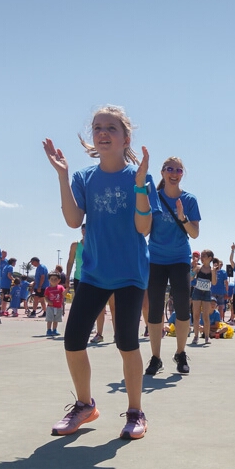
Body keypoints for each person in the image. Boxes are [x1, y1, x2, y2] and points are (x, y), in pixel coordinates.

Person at [44, 105, 155, 439]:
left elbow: (144, 226)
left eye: (111, 127)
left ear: (126, 137)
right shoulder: (82, 177)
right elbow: (73, 220)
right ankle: (84, 405)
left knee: (127, 342)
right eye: (97, 127)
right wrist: (63, 176)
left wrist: (139, 188)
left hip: (129, 273)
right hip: (93, 272)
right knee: (74, 339)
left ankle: (136, 411)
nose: (103, 132)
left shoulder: (139, 176)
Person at [144, 156, 200, 374]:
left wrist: (183, 218)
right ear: (162, 172)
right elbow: (145, 230)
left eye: (178, 170)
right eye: (170, 169)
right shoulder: (153, 198)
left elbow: (194, 234)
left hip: (179, 259)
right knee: (155, 309)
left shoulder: (190, 200)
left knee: (183, 308)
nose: (174, 173)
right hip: (156, 258)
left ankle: (180, 352)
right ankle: (155, 357)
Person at [190, 249, 216, 346]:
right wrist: (194, 268)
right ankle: (196, 336)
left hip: (206, 293)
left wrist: (213, 272)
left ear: (210, 258)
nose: (202, 257)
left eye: (204, 256)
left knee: (205, 316)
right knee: (196, 315)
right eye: (201, 255)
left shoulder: (212, 270)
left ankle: (206, 336)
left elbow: (213, 282)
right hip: (197, 292)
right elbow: (191, 278)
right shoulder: (198, 268)